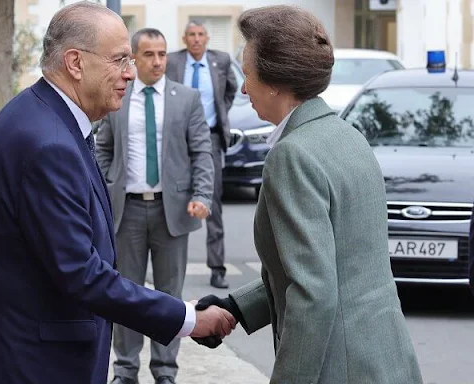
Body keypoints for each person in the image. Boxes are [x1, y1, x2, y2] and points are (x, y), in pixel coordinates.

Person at [0, 3, 236, 383]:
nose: (129, 73)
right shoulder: (48, 143)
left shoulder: (34, 114)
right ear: (75, 63)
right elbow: (82, 273)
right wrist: (188, 318)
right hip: (34, 364)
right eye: (120, 59)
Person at [193, 5, 424, 384]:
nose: (245, 88)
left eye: (247, 74)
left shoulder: (292, 154)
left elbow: (313, 295)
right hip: (384, 359)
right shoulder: (346, 136)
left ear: (275, 81)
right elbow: (338, 266)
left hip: (339, 366)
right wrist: (238, 306)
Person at [95, 28, 214, 384]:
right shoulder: (120, 97)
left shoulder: (186, 98)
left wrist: (202, 195)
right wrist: (100, 190)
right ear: (134, 57)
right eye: (149, 55)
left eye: (162, 54)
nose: (158, 61)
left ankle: (164, 371)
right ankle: (125, 370)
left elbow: (202, 153)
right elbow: (103, 149)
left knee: (169, 294)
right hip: (126, 211)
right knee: (124, 293)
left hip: (172, 212)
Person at [166, 20, 237, 289]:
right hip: (176, 137)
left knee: (212, 202)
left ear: (207, 38)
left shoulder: (221, 61)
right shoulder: (173, 61)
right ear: (184, 38)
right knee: (171, 195)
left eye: (200, 35)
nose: (196, 39)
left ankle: (217, 268)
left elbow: (230, 91)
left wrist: (220, 113)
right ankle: (169, 267)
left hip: (209, 136)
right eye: (191, 35)